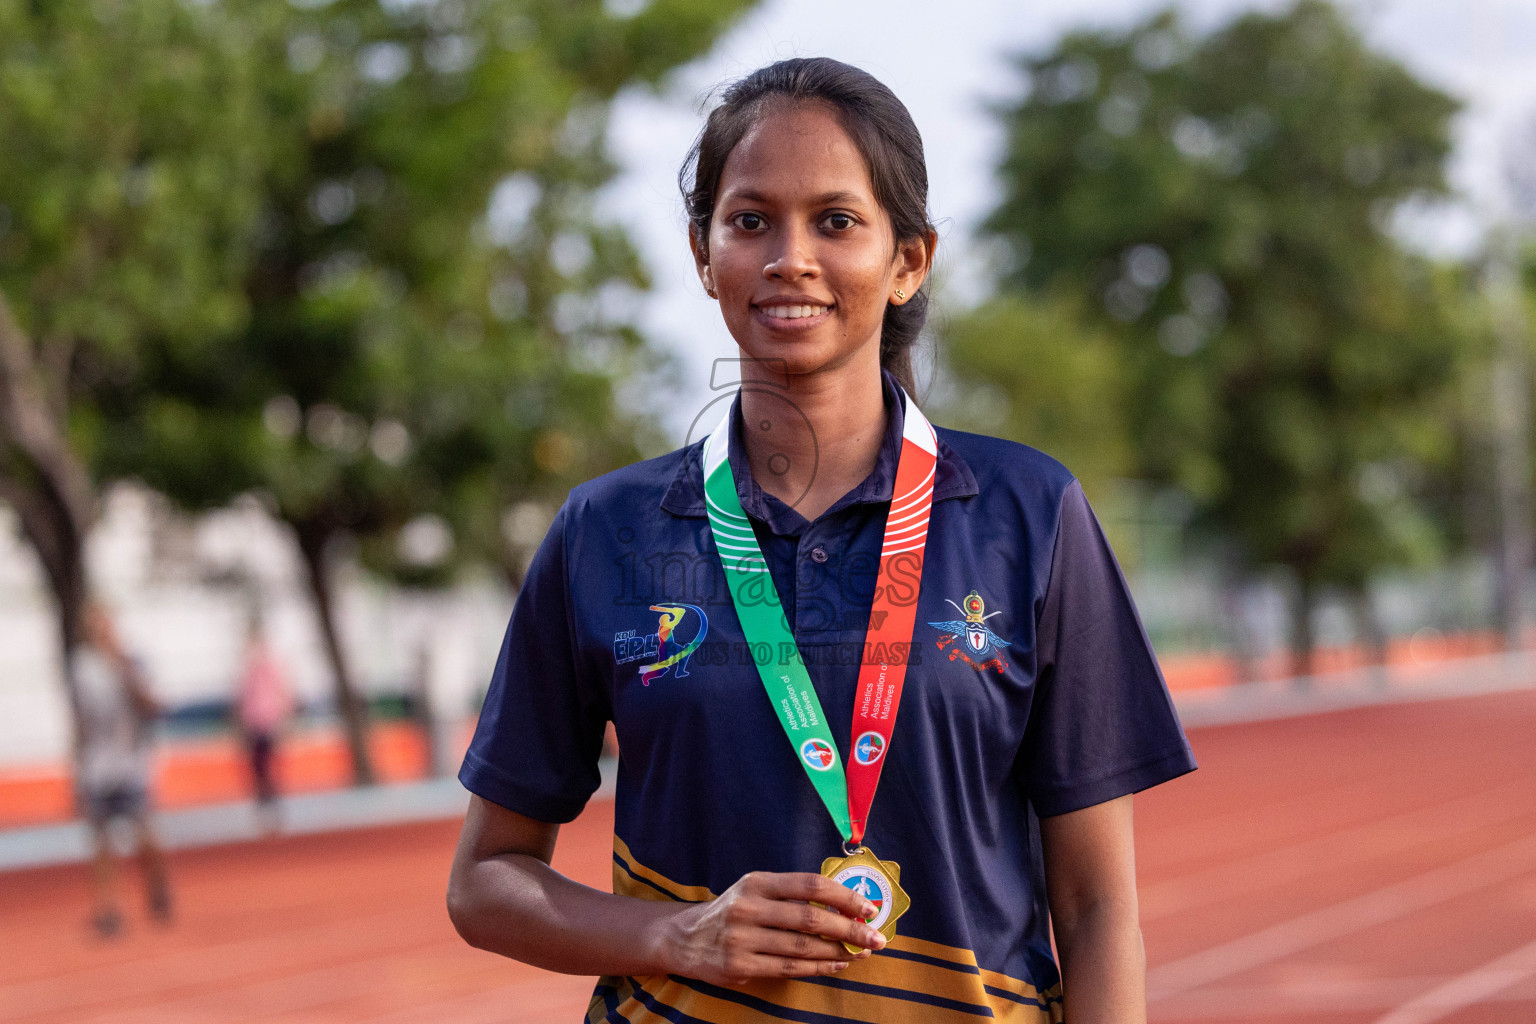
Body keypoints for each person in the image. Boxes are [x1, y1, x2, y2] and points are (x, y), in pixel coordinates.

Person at [448, 58, 1196, 1023]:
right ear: (703, 252)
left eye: (836, 222)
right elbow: (485, 880)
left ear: (908, 260)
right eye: (749, 220)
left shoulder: (1028, 512)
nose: (788, 257)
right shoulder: (606, 530)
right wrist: (675, 935)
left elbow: (1096, 910)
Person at [73, 601, 173, 937]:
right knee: (100, 839)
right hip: (98, 766)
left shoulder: (132, 661)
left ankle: (157, 884)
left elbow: (153, 706)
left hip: (130, 763)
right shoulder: (82, 668)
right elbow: (80, 722)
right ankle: (109, 909)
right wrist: (77, 767)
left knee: (143, 830)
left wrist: (123, 669)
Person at [236, 613, 294, 834]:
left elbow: (282, 692)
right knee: (258, 770)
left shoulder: (270, 664)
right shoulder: (248, 667)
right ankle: (264, 814)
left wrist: (285, 718)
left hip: (269, 722)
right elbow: (242, 698)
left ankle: (274, 814)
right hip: (255, 723)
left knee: (269, 769)